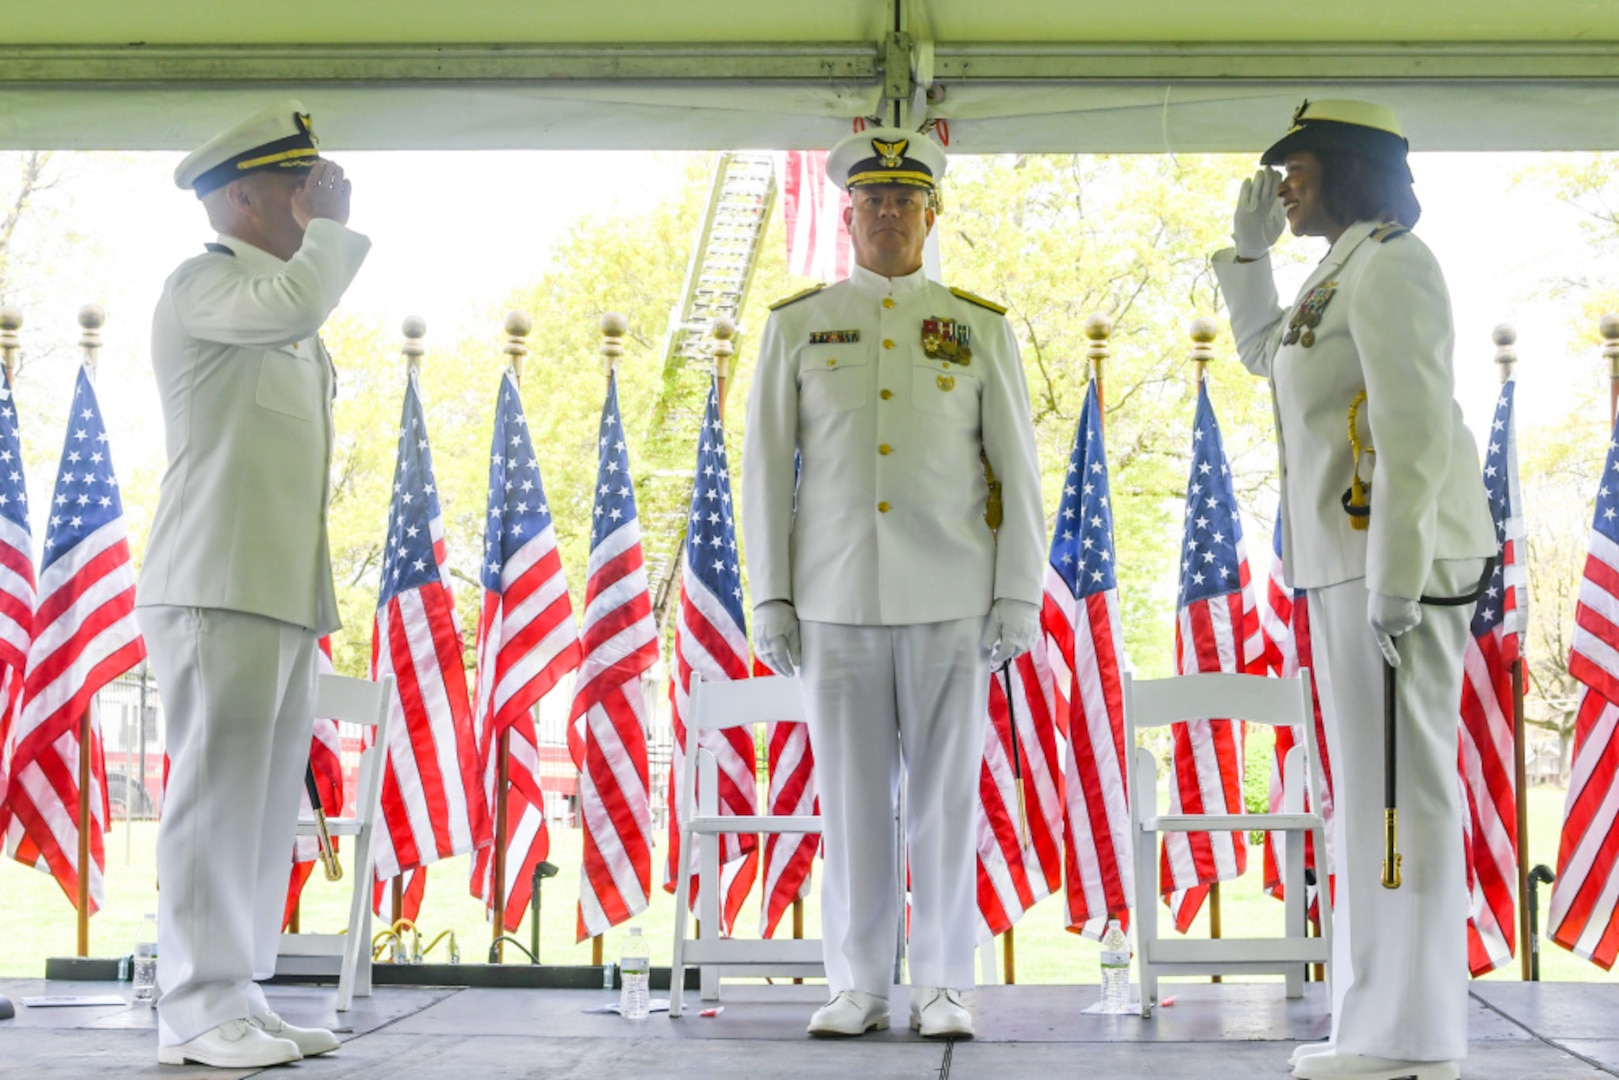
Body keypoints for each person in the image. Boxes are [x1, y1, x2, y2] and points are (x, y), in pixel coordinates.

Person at [1212, 100, 1495, 1080]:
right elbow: (1265, 359)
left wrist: (1395, 583)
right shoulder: (1335, 274)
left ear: (1340, 167)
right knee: (1366, 798)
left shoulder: (1392, 263)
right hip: (1348, 557)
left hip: (1394, 563)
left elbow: (1412, 435)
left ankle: (1409, 1037)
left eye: (1294, 168)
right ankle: (1372, 1021)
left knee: (1400, 799)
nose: (1281, 185)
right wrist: (1245, 261)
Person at [741, 127, 1043, 1040]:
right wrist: (771, 596)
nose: (887, 214)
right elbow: (763, 468)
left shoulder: (977, 326)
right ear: (846, 214)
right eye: (871, 200)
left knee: (946, 799)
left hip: (952, 593)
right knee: (852, 798)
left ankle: (946, 982)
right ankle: (860, 985)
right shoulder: (796, 324)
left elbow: (1015, 469)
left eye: (904, 200)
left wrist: (1018, 592)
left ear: (930, 214)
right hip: (833, 600)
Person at [137, 101, 370, 1069]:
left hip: (270, 590)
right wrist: (335, 227)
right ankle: (191, 1009)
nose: (314, 200)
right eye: (297, 186)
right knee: (212, 800)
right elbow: (298, 302)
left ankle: (232, 993)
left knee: (259, 806)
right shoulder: (207, 283)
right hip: (212, 584)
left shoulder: (275, 307)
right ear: (241, 198)